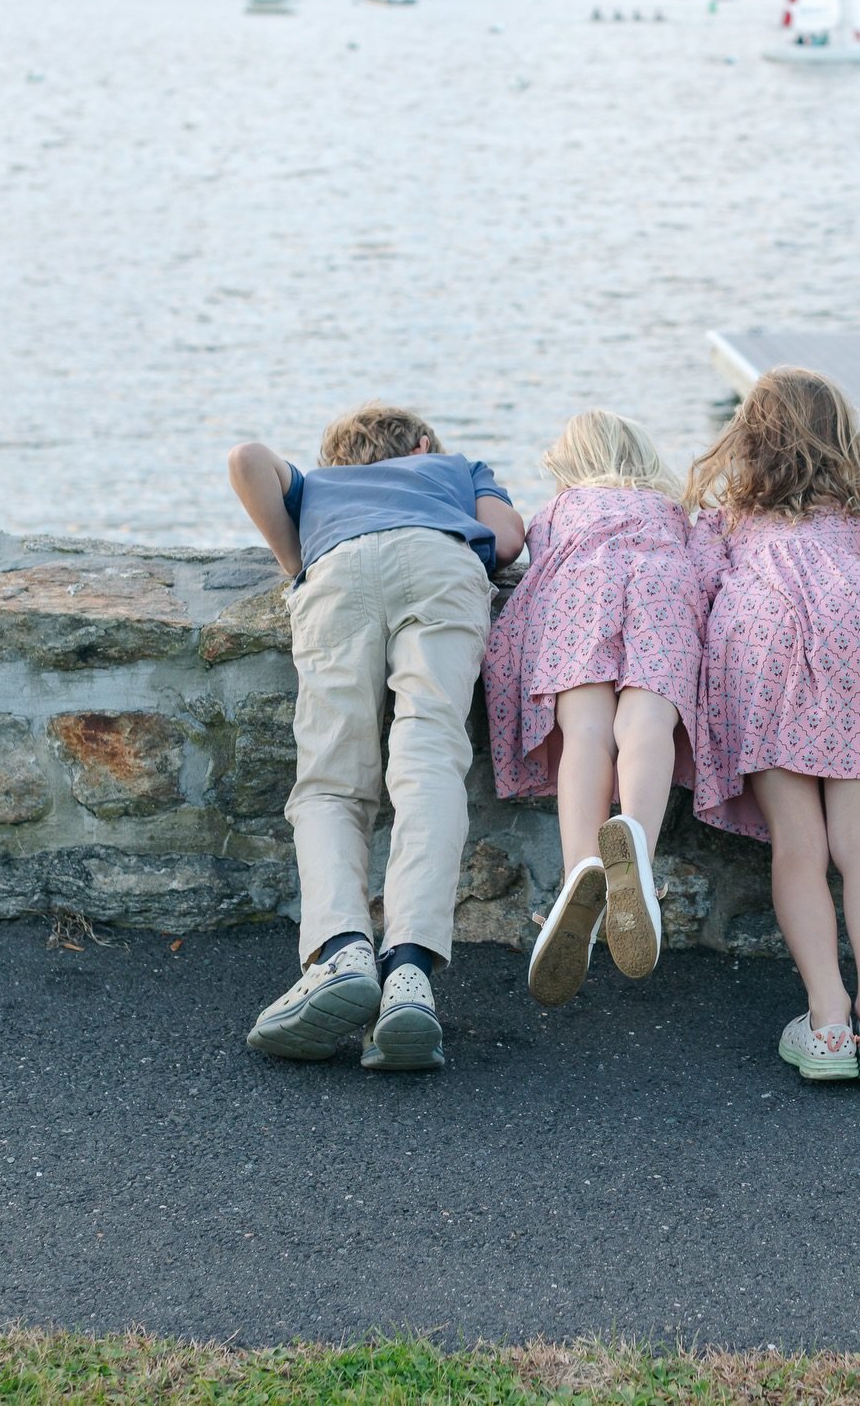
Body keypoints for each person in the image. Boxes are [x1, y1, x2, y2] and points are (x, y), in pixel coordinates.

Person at [227, 401, 525, 1073]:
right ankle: (409, 973)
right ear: (421, 444)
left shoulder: (320, 486)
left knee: (331, 783)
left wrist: (296, 558)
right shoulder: (457, 467)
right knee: (430, 763)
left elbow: (245, 459)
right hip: (439, 565)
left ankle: (341, 953)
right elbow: (507, 542)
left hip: (337, 572)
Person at [687, 369, 860, 1084]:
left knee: (799, 845)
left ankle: (827, 1021)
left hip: (762, 642)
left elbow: (697, 592)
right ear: (841, 439)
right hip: (858, 642)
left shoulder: (727, 520)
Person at [484, 410, 703, 1007]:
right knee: (648, 720)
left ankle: (582, 866)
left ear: (567, 464)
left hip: (581, 589)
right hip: (663, 585)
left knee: (584, 730)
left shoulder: (556, 512)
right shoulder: (674, 511)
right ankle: (636, 856)